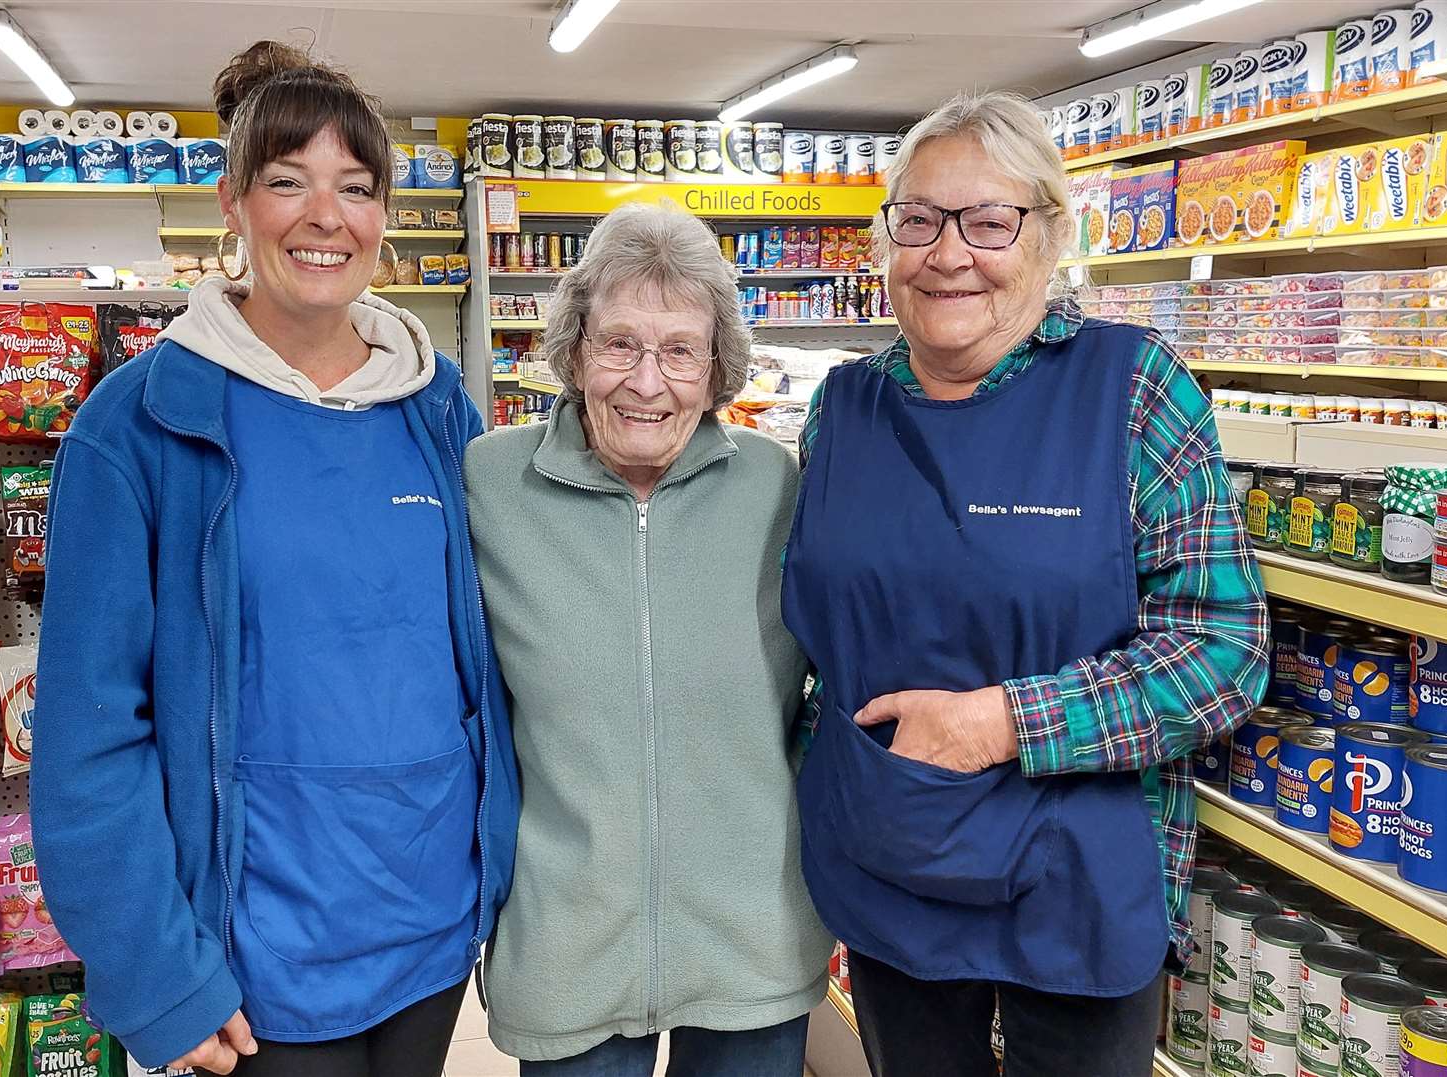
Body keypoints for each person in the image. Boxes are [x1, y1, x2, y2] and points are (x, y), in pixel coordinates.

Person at [31, 41, 517, 1077]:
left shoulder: (436, 409)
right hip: (256, 958)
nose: (323, 215)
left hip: (430, 918)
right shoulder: (141, 425)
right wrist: (154, 972)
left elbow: (481, 653)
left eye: (355, 187)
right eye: (287, 181)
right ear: (234, 202)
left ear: (383, 216)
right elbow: (86, 733)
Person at [784, 90, 1270, 1077]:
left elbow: (1223, 651)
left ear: (1049, 236)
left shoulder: (1134, 389)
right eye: (917, 220)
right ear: (885, 242)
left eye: (989, 221)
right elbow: (812, 641)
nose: (948, 253)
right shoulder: (844, 408)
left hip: (1075, 881)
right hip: (889, 858)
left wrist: (1000, 721)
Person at [464, 202, 832, 1077]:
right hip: (565, 939)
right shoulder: (489, 482)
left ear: (717, 369)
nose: (647, 381)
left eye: (679, 350)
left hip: (753, 937)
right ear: (576, 347)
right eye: (620, 343)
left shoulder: (776, 487)